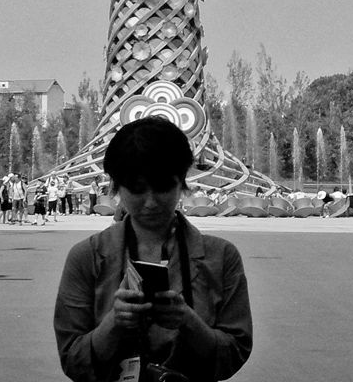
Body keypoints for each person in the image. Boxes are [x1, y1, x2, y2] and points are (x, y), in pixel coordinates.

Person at [54, 117, 253, 382]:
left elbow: (235, 352)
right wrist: (114, 323)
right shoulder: (86, 257)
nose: (150, 202)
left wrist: (188, 321)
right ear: (116, 187)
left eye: (162, 187)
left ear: (182, 182)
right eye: (137, 189)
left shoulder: (222, 257)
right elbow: (72, 360)